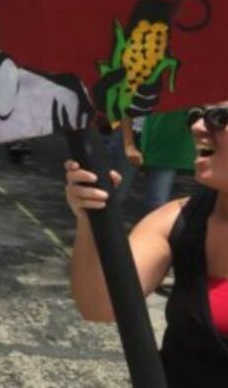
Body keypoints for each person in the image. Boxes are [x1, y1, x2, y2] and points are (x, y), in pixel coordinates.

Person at [65, 102, 228, 384]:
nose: (197, 127)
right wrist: (92, 219)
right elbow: (100, 305)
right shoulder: (177, 220)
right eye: (196, 115)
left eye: (219, 118)